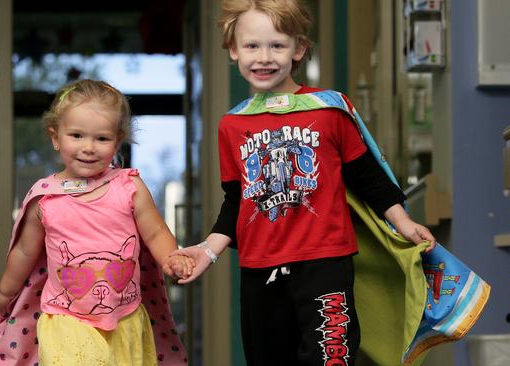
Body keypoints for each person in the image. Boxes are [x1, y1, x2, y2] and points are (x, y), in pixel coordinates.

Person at [171, 1, 437, 365]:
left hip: (325, 263)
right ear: (233, 49)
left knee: (331, 358)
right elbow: (237, 201)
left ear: (298, 48)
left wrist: (403, 222)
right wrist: (207, 251)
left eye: (277, 45)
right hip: (259, 268)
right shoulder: (231, 125)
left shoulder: (329, 110)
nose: (264, 57)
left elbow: (367, 176)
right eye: (251, 46)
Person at [0, 79, 193, 365]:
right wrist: (5, 291)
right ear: (55, 137)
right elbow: (24, 251)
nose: (88, 147)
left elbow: (156, 231)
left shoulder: (128, 187)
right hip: (65, 318)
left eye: (101, 139)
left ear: (117, 141)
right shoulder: (46, 196)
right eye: (76, 135)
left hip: (125, 318)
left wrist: (172, 258)